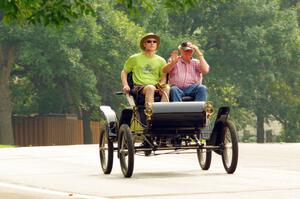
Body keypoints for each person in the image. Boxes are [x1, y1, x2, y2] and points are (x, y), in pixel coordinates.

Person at [121, 33, 170, 112]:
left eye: (154, 42)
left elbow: (163, 77)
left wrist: (161, 85)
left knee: (167, 88)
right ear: (144, 44)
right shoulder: (135, 58)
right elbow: (124, 72)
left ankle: (162, 113)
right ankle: (149, 115)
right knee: (150, 88)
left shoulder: (161, 60)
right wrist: (125, 85)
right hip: (139, 87)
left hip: (156, 86)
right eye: (149, 41)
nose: (152, 43)